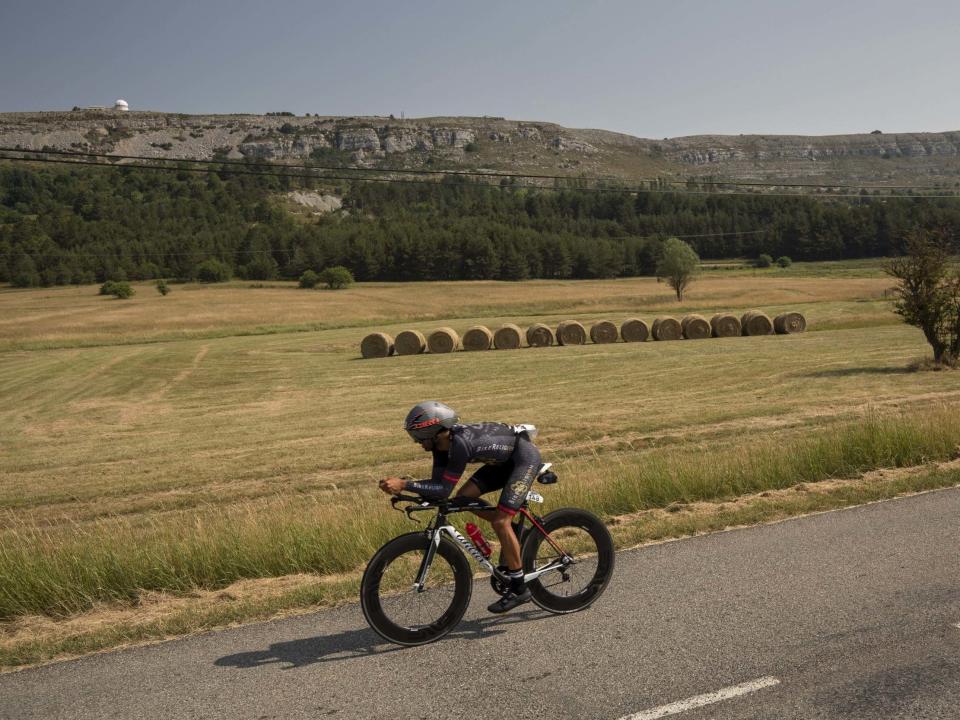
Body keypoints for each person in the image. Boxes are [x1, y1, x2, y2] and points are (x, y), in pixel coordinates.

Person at [379, 400, 542, 614]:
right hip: (501, 464)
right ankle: (513, 534)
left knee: (501, 522)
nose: (416, 442)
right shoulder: (440, 446)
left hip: (523, 460)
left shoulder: (459, 445)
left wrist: (405, 484)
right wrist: (408, 492)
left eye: (417, 436)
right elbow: (438, 486)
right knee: (463, 498)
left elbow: (443, 489)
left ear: (435, 431)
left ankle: (520, 588)